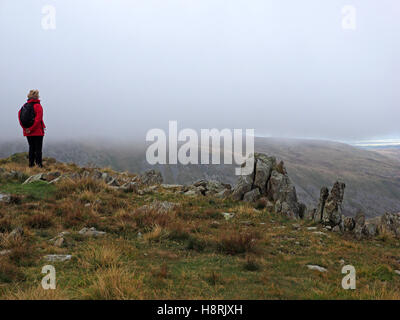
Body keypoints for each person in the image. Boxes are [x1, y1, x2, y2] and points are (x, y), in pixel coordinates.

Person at [18, 90, 46, 168]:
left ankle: (31, 165)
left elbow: (20, 118)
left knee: (31, 147)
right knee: (38, 149)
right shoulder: (38, 106)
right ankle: (39, 165)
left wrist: (26, 129)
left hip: (28, 132)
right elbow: (38, 119)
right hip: (37, 131)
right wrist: (32, 128)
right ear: (37, 96)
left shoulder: (24, 106)